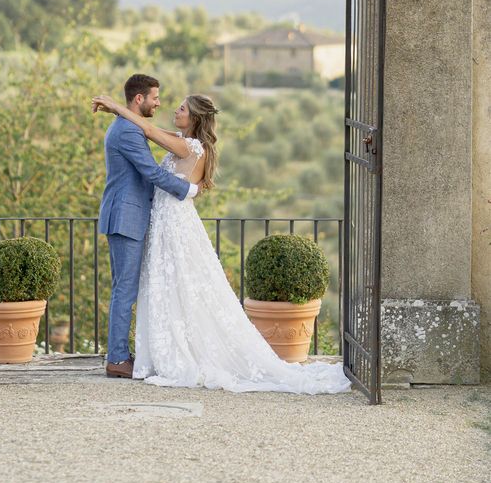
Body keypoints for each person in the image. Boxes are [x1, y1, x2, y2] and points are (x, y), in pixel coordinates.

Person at [93, 89, 352, 395]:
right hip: (165, 220)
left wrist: (113, 105)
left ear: (193, 119)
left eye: (181, 109)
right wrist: (121, 113)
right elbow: (152, 130)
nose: (174, 111)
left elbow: (148, 130)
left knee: (180, 285)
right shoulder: (186, 141)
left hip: (173, 220)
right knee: (170, 285)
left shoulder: (189, 145)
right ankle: (158, 350)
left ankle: (173, 352)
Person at [96, 73, 199, 379]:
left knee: (125, 289)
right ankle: (116, 358)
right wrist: (187, 190)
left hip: (128, 215)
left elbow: (159, 139)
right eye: (155, 97)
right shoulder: (128, 131)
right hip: (126, 217)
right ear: (139, 99)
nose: (159, 102)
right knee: (124, 290)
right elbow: (152, 172)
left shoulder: (130, 125)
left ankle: (122, 353)